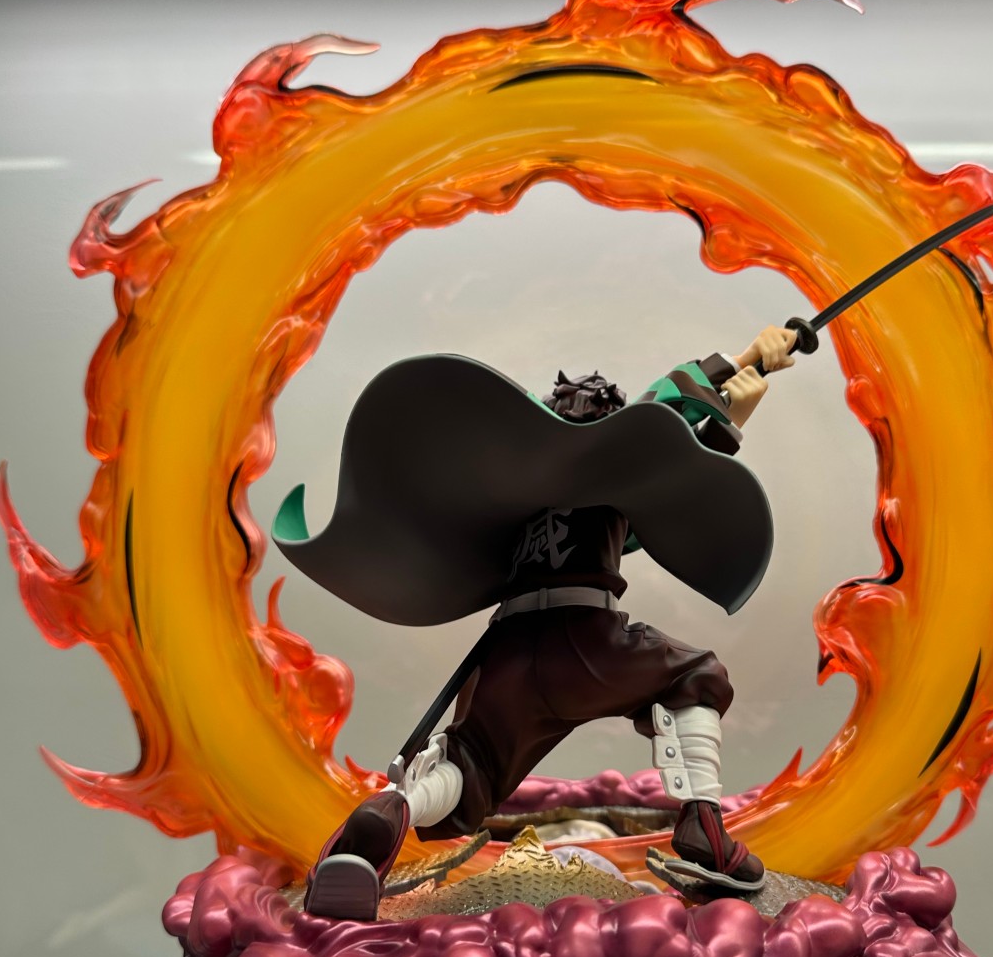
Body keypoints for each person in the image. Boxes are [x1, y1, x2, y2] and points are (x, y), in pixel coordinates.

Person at [285, 326, 796, 922]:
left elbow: (656, 482)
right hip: (584, 641)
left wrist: (735, 402)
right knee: (696, 675)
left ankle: (393, 808)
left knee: (469, 767)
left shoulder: (517, 501)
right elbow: (666, 416)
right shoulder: (609, 468)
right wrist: (743, 372)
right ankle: (705, 826)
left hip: (506, 653)